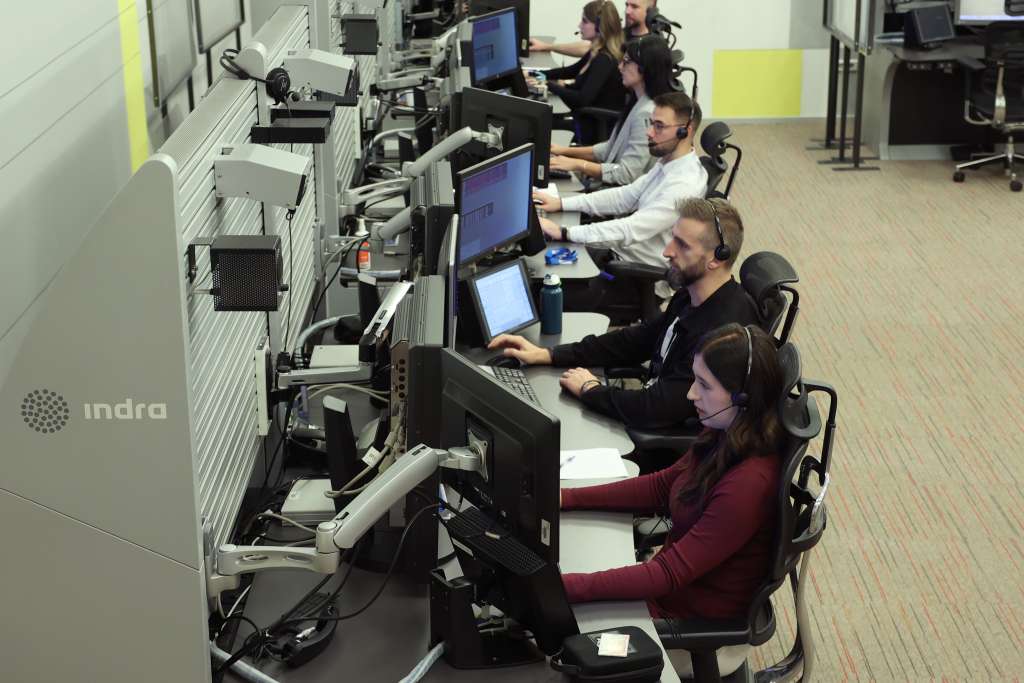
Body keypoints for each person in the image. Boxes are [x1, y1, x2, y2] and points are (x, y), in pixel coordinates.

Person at [557, 323, 786, 678]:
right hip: (667, 600)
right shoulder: (727, 432)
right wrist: (565, 497)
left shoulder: (749, 484)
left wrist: (564, 587)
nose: (691, 393)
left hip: (688, 631)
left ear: (742, 398)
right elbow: (662, 487)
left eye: (705, 385)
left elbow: (667, 573)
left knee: (553, 649)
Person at [488, 197, 760, 431]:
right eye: (672, 239)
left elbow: (658, 408)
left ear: (717, 258)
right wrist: (549, 355)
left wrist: (591, 390)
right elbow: (636, 340)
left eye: (682, 245)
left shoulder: (721, 334)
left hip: (665, 446)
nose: (667, 252)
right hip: (648, 415)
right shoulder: (692, 295)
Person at [533, 91, 707, 302]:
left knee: (539, 291)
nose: (649, 132)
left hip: (635, 279)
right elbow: (624, 196)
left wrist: (564, 232)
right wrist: (561, 203)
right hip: (619, 256)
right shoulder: (668, 164)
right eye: (651, 124)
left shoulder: (683, 185)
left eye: (659, 126)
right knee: (540, 259)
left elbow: (630, 229)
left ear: (685, 131)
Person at [549, 34, 676, 187]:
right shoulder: (637, 101)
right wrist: (563, 151)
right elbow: (610, 149)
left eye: (626, 62)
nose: (620, 67)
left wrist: (578, 164)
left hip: (624, 195)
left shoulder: (647, 113)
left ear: (645, 68)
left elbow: (626, 174)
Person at [540, 1, 627, 145]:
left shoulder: (604, 60)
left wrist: (549, 85)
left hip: (592, 127)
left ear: (599, 26)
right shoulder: (596, 51)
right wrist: (538, 74)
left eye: (584, 21)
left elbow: (582, 99)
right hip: (586, 119)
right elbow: (570, 71)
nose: (579, 25)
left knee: (538, 123)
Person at [529, 0, 657, 57]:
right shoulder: (623, 34)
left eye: (634, 7)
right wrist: (547, 46)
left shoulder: (649, 48)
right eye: (626, 5)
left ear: (651, 10)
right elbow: (589, 47)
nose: (627, 11)